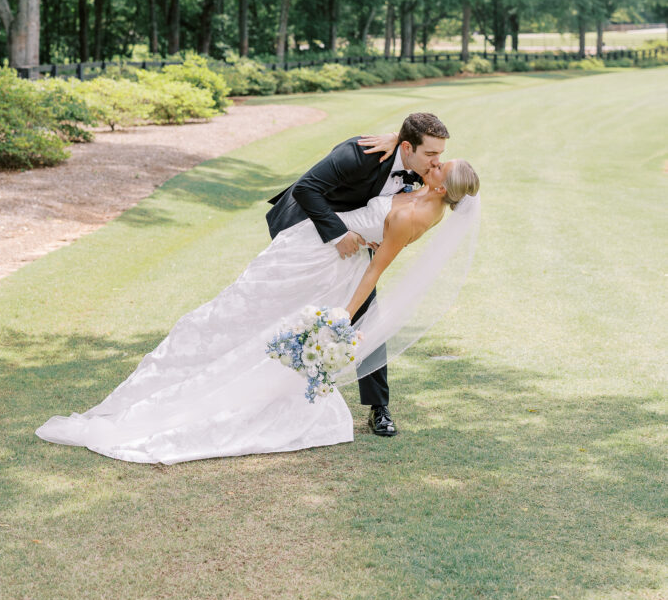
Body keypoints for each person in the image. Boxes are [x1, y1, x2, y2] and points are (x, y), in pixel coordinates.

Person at [35, 150, 479, 465]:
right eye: (435, 156)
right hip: (317, 245)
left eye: (442, 164)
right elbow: (342, 179)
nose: (436, 162)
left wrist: (344, 312)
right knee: (248, 306)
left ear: (442, 184)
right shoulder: (414, 182)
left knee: (336, 319)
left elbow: (376, 268)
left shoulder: (414, 213)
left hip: (344, 265)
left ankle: (372, 405)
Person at [267, 112, 450, 437]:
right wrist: (339, 235)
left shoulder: (424, 170)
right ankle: (268, 388)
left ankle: (379, 407)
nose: (437, 162)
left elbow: (450, 187)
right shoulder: (359, 153)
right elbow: (306, 189)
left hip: (358, 245)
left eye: (440, 154)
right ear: (408, 147)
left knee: (367, 315)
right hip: (309, 230)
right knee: (284, 308)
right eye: (431, 154)